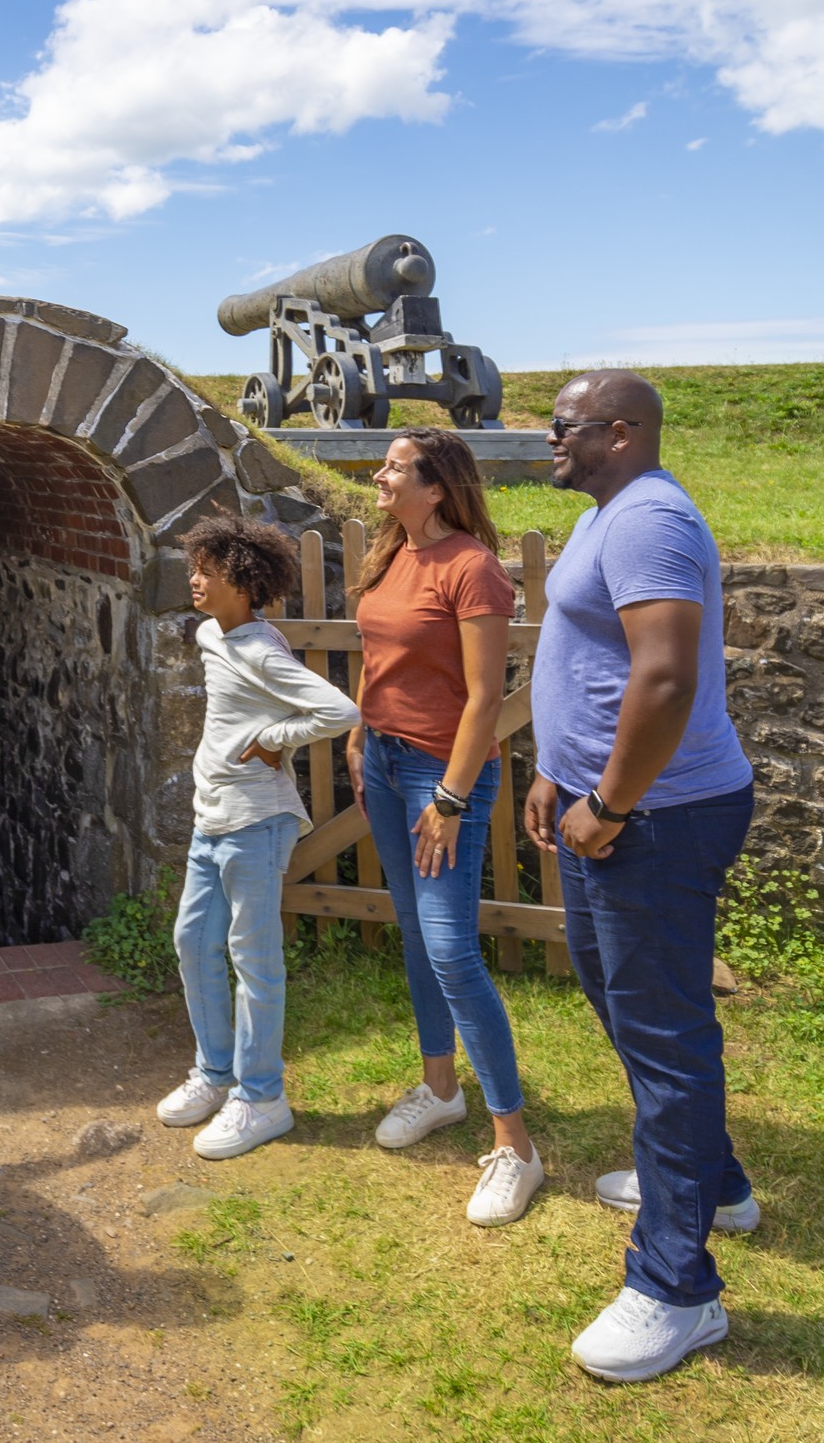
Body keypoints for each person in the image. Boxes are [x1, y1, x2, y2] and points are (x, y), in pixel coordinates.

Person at [521, 369, 757, 1382]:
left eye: (561, 428)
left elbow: (664, 677)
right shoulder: (605, 514)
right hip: (606, 807)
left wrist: (608, 803)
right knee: (624, 1009)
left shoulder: (650, 520)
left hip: (653, 819)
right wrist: (551, 771)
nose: (547, 444)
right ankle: (712, 1186)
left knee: (662, 1038)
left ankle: (674, 1289)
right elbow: (590, 656)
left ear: (618, 432)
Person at [345, 428, 543, 1227]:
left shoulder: (473, 567)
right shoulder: (392, 554)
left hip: (442, 775)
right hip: (387, 763)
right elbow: (375, 656)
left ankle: (516, 1147)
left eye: (395, 468)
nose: (379, 476)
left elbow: (484, 695)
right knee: (416, 933)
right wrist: (361, 736)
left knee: (454, 950)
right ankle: (439, 1089)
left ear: (438, 486)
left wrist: (453, 797)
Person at [160, 515, 360, 1159]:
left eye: (209, 572)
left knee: (254, 960)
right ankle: (216, 1076)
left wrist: (272, 739)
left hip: (257, 823)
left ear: (242, 583)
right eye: (195, 567)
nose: (195, 579)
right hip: (211, 817)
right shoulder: (211, 635)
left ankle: (261, 1097)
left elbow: (340, 711)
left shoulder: (260, 649)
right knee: (193, 941)